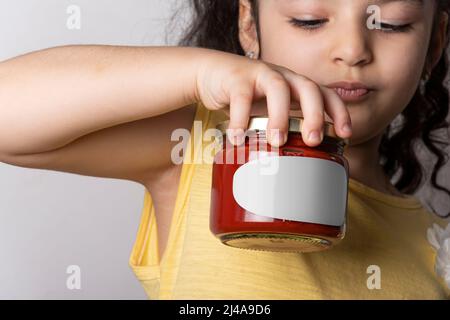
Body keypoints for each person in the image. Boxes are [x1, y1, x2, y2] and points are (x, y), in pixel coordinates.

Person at [0, 0, 449, 299]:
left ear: (435, 43)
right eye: (309, 19)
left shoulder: (437, 247)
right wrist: (197, 73)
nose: (352, 50)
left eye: (391, 23)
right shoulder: (206, 144)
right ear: (249, 28)